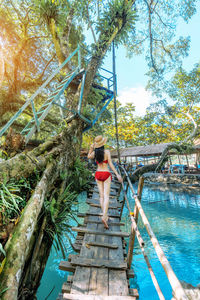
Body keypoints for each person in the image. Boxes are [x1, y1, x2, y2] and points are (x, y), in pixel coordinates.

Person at [88, 135, 123, 229]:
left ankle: (105, 215)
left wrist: (91, 148)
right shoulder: (107, 152)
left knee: (101, 196)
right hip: (106, 174)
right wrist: (117, 174)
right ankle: (104, 215)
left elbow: (88, 156)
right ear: (103, 144)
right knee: (106, 196)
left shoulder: (95, 153)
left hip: (98, 174)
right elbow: (111, 164)